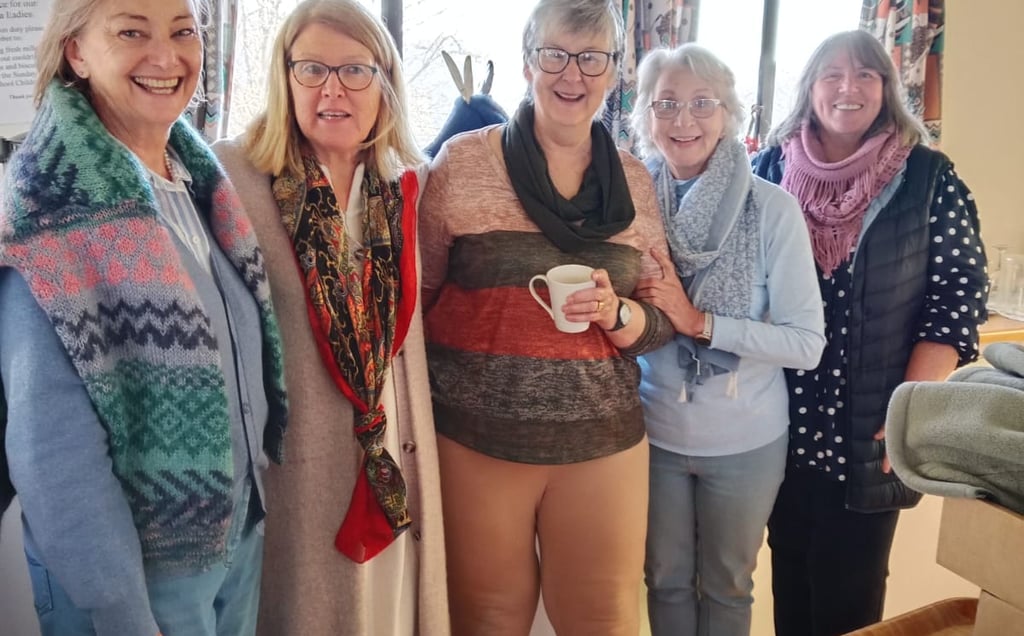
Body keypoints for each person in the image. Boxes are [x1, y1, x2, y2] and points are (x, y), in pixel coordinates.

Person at [0, 0, 289, 634]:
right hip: (137, 575)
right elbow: (52, 452)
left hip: (231, 536)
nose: (167, 56)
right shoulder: (49, 209)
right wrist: (121, 611)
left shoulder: (196, 176)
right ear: (76, 52)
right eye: (131, 31)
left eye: (183, 31)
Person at [418, 0, 676, 633]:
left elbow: (661, 316)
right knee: (486, 620)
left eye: (592, 58)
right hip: (478, 440)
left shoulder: (636, 181)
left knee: (604, 621)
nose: (572, 74)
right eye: (555, 54)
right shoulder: (462, 163)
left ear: (614, 70)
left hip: (602, 442)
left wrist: (617, 313)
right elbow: (420, 295)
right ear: (527, 63)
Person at [212, 1, 448, 634]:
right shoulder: (233, 177)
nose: (333, 89)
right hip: (300, 467)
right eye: (312, 69)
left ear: (384, 82)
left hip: (394, 449)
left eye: (355, 70)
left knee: (392, 614)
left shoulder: (407, 184)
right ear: (284, 76)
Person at [751, 30, 989, 636]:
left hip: (868, 429)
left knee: (849, 602)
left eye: (865, 74)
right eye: (831, 74)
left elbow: (957, 296)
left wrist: (907, 404)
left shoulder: (927, 177)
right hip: (774, 424)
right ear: (809, 88)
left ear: (887, 88)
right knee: (790, 587)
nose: (848, 87)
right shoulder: (768, 170)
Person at [628, 44, 825, 636]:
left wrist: (700, 322)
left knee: (728, 586)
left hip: (747, 440)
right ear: (646, 116)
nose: (683, 120)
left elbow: (806, 343)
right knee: (663, 580)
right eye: (666, 103)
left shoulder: (773, 210)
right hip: (652, 433)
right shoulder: (631, 208)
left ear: (727, 114)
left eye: (702, 103)